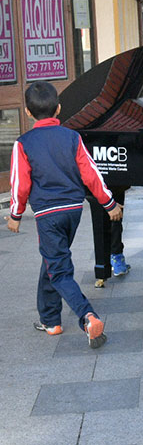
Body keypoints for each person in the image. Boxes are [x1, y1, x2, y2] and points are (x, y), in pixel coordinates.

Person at [7, 81, 121, 348]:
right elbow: (92, 175)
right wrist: (109, 203)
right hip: (72, 211)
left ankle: (87, 316)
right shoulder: (73, 138)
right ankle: (51, 320)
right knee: (52, 259)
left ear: (26, 112)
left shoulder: (23, 143)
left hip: (47, 213)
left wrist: (15, 214)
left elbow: (19, 183)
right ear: (59, 108)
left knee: (58, 270)